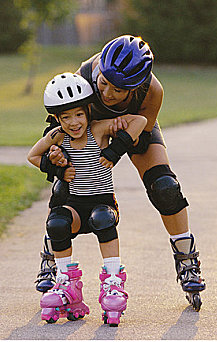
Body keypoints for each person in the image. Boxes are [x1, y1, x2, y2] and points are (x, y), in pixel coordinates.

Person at [35, 35, 206, 311]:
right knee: (65, 187)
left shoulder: (152, 91)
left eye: (117, 90)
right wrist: (58, 156)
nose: (106, 93)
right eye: (104, 83)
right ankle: (51, 255)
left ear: (136, 87)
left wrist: (114, 149)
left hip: (133, 129)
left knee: (165, 187)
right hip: (88, 131)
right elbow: (61, 121)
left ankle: (186, 258)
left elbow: (140, 135)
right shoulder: (86, 74)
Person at [28, 72, 147, 326]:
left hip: (102, 204)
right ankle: (65, 284)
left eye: (79, 114)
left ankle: (113, 283)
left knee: (102, 218)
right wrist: (57, 169)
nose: (73, 122)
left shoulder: (99, 129)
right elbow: (32, 155)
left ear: (88, 112)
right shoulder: (58, 137)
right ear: (57, 119)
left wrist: (116, 148)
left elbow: (141, 120)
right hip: (75, 207)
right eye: (66, 117)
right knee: (56, 223)